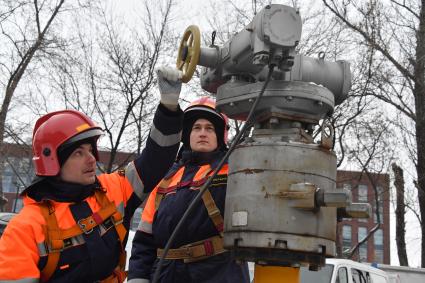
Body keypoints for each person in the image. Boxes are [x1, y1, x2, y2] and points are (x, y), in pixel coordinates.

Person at [0, 66, 184, 283]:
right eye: (78, 153)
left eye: (90, 150)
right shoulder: (25, 229)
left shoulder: (112, 190)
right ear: (52, 162)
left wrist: (169, 109)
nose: (91, 159)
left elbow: (156, 160)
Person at [128, 96, 250, 283]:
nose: (202, 133)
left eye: (209, 128)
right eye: (196, 128)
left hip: (218, 272)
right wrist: (138, 277)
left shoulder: (236, 171)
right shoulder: (166, 179)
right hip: (164, 274)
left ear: (220, 135)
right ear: (187, 135)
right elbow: (144, 238)